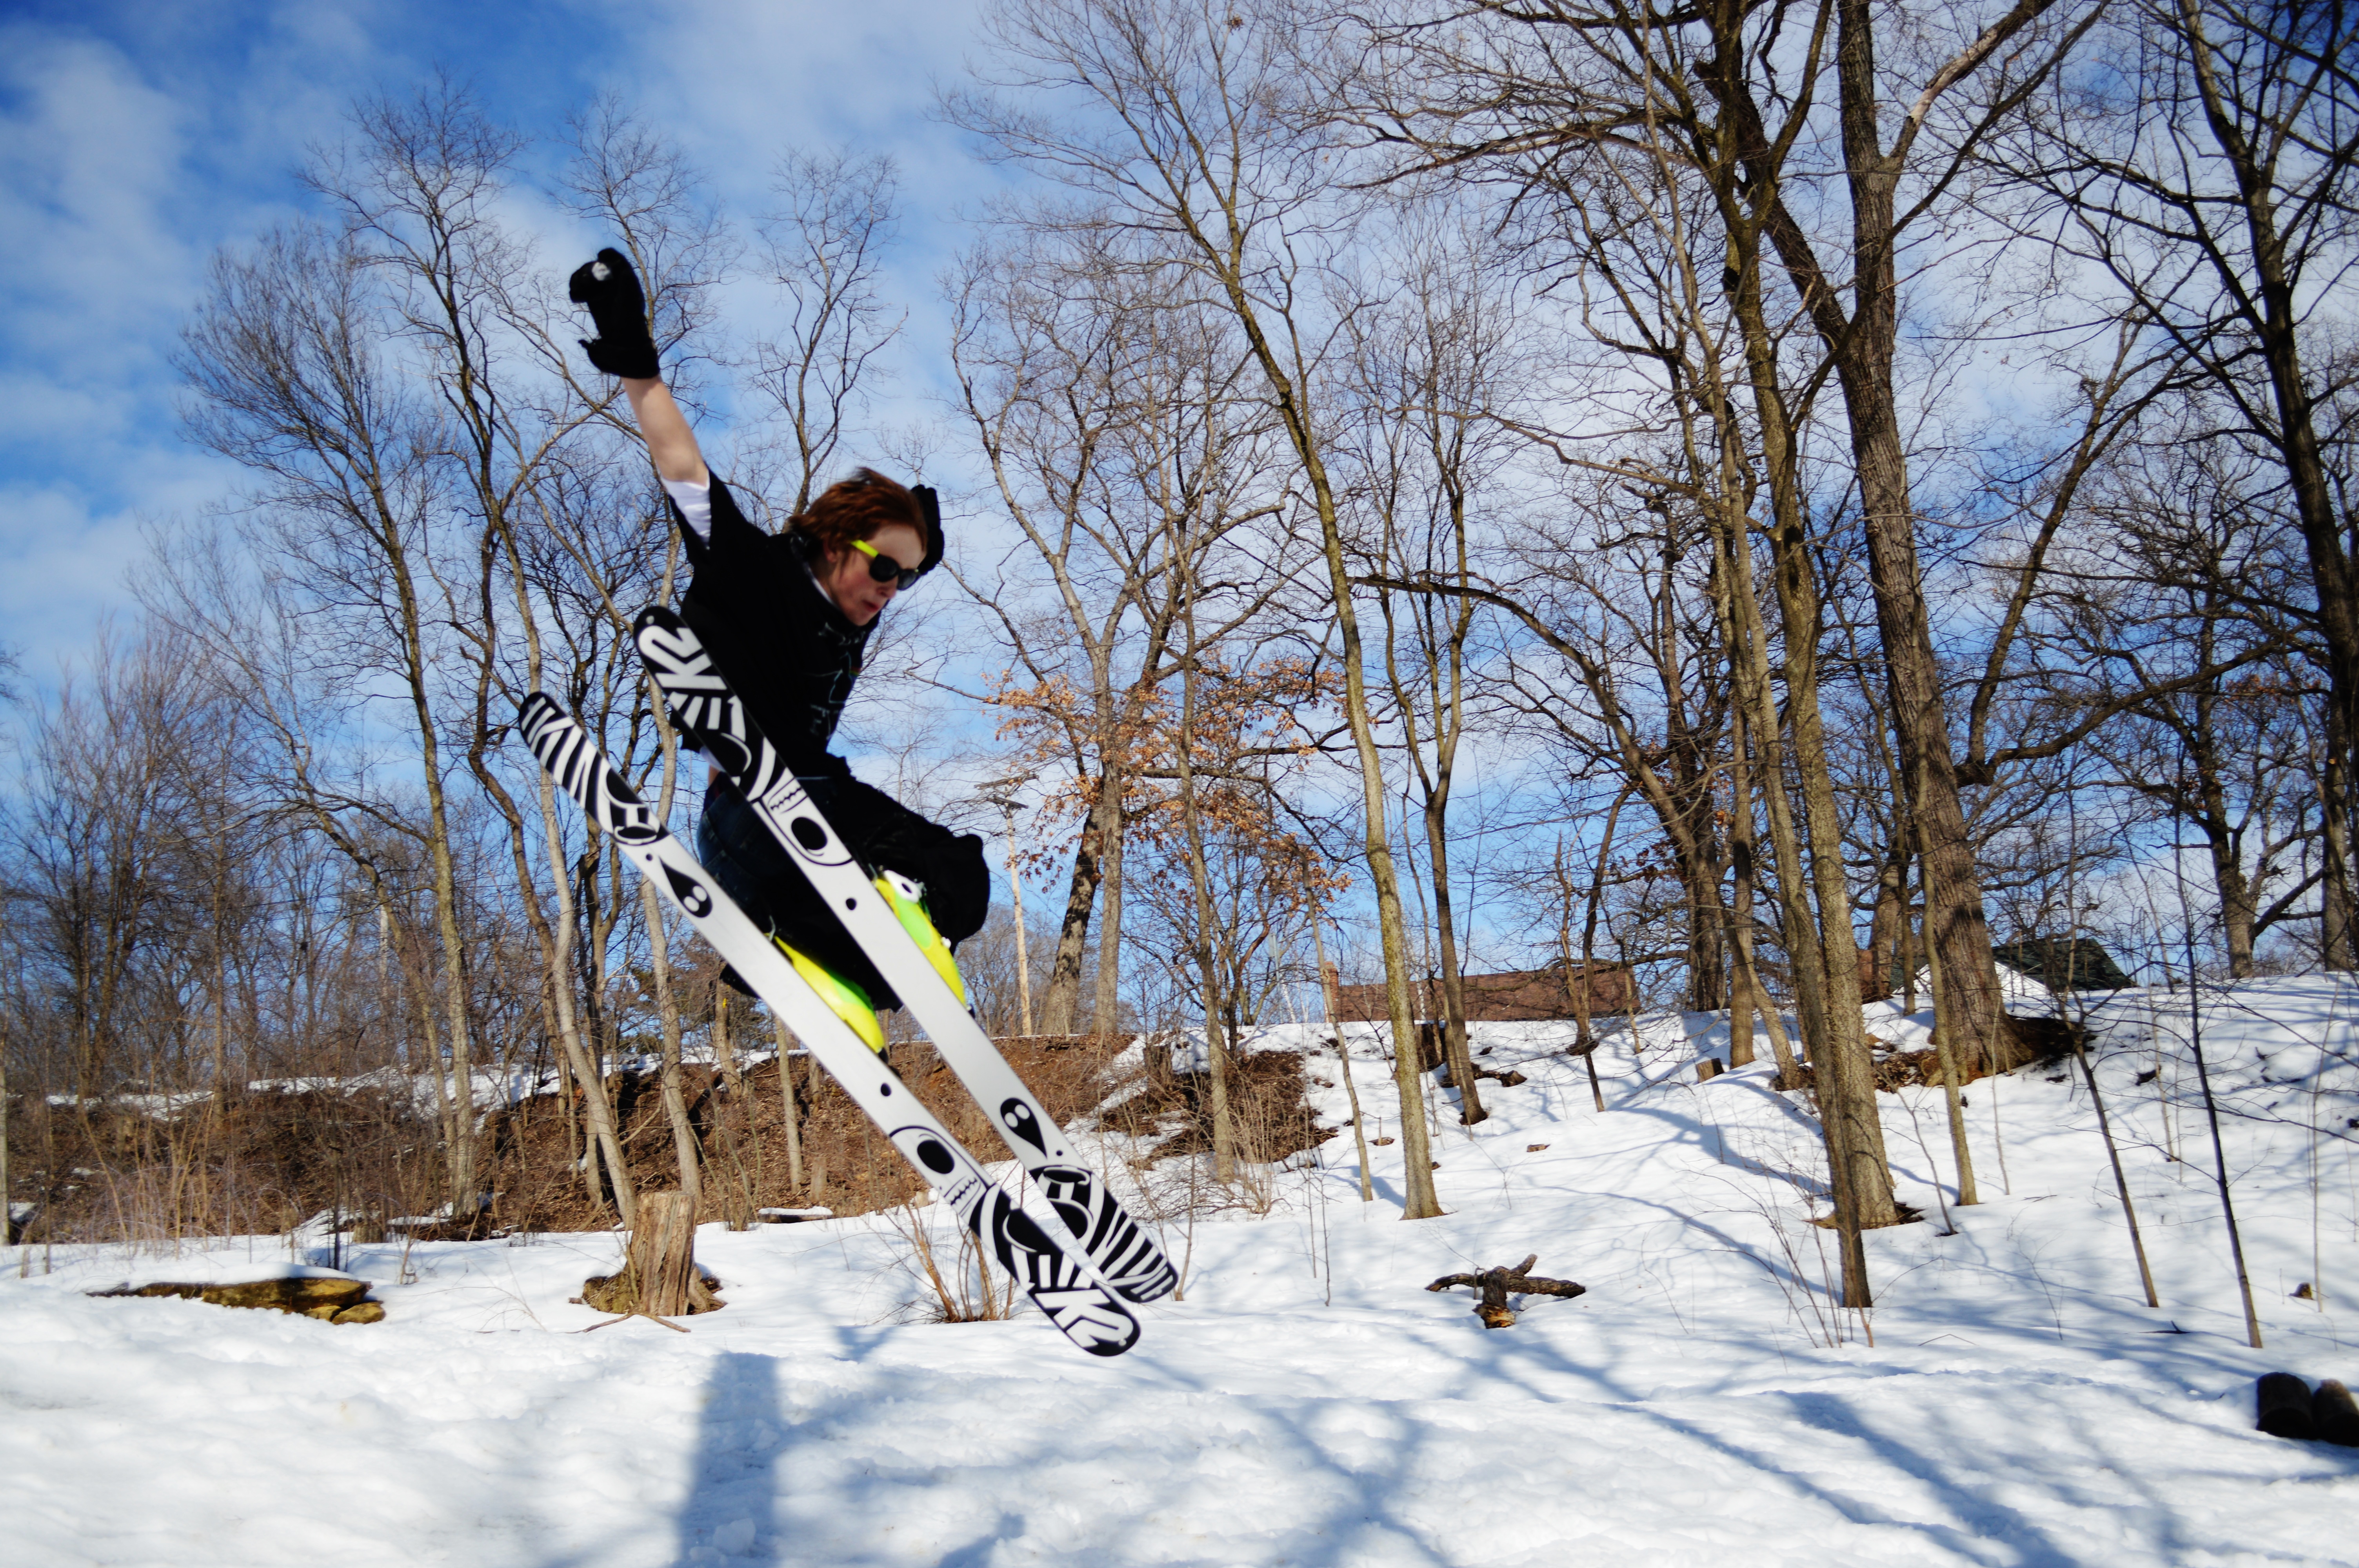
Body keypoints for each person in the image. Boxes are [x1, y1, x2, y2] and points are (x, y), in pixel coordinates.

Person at [568, 247, 989, 1049]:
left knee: (966, 885)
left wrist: (917, 543)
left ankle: (827, 975)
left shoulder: (845, 623)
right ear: (834, 539)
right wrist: (635, 360)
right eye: (882, 567)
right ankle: (895, 907)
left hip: (764, 858)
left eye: (905, 579)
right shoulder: (754, 568)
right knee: (941, 864)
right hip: (762, 810)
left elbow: (907, 554)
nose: (888, 590)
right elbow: (683, 469)